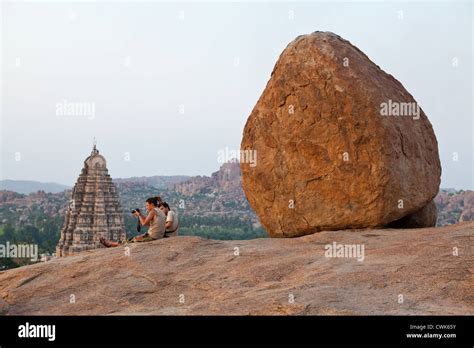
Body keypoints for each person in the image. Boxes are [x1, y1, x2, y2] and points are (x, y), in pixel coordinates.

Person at [99, 196, 166, 248]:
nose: (146, 207)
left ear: (151, 204)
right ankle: (112, 243)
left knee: (132, 240)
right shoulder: (160, 211)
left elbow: (143, 223)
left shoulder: (153, 211)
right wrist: (140, 215)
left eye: (147, 205)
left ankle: (111, 244)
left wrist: (139, 215)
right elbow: (149, 224)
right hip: (158, 235)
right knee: (134, 238)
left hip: (153, 236)